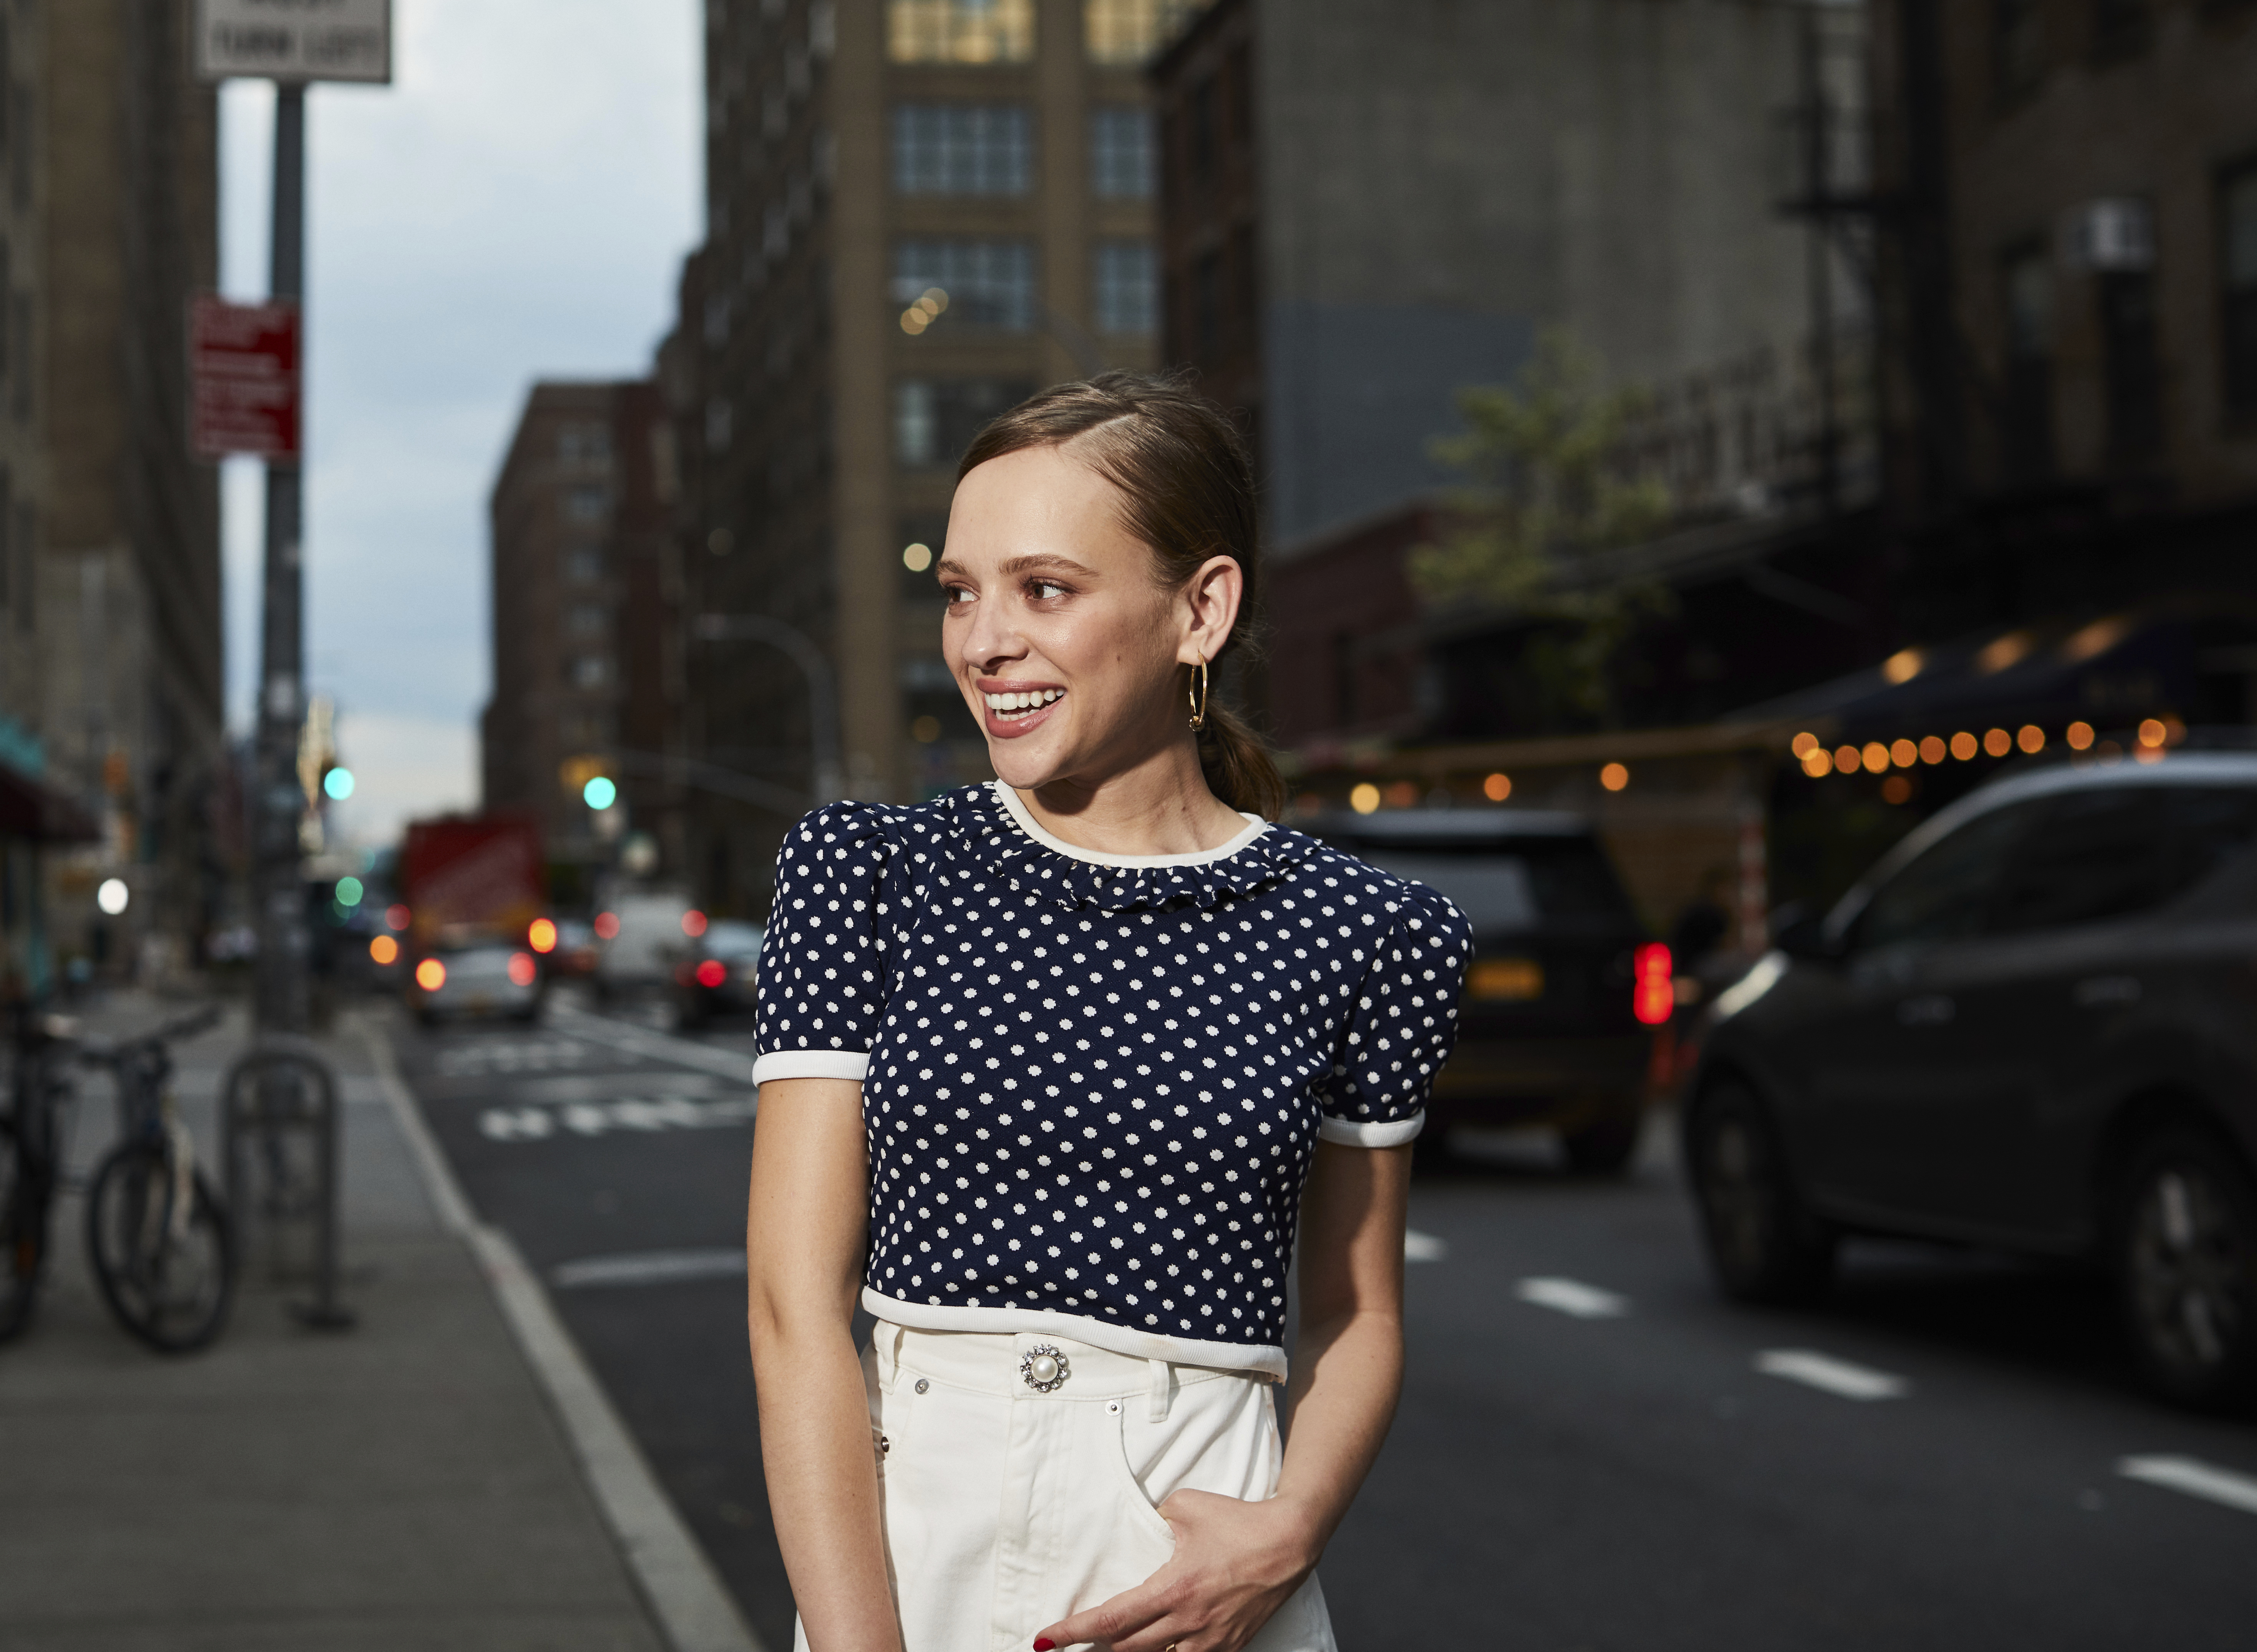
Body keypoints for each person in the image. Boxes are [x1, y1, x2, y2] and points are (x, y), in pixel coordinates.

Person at [746, 373, 1471, 1652]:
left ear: (1201, 610)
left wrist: (1290, 1528)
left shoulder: (1369, 933)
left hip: (1200, 1580)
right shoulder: (868, 872)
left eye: (1046, 590)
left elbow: (1356, 1313)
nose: (981, 643)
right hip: (910, 1562)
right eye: (960, 591)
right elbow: (795, 1301)